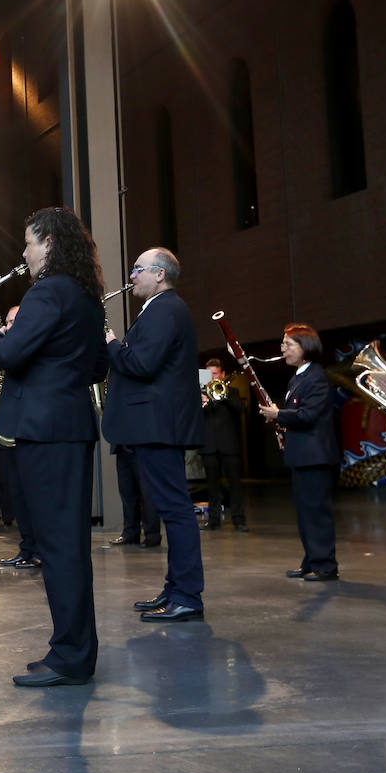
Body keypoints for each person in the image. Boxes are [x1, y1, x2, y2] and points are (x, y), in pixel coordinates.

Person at [0, 207, 108, 687]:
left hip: (45, 431)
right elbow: (97, 366)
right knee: (68, 546)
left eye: (29, 242)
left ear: (50, 244)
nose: (24, 251)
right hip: (70, 427)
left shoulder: (46, 291)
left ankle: (71, 658)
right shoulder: (85, 296)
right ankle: (71, 650)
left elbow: (12, 354)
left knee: (59, 548)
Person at [103, 247, 207, 624]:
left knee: (176, 512)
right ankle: (175, 589)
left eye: (137, 269)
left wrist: (112, 343)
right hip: (156, 425)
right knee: (171, 510)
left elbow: (142, 363)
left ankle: (187, 597)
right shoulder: (160, 309)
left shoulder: (166, 309)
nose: (131, 276)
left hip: (160, 426)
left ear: (159, 274)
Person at [259, 323, 339, 580]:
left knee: (317, 513)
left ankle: (325, 566)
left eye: (288, 345)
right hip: (304, 455)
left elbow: (310, 415)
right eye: (283, 344)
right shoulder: (299, 376)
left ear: (305, 347)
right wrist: (279, 415)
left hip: (315, 456)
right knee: (305, 513)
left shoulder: (316, 376)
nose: (283, 349)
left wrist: (279, 413)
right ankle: (311, 561)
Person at [200, 358, 247, 532]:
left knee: (235, 485)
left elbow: (241, 410)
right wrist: (203, 400)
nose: (212, 377)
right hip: (209, 446)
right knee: (212, 487)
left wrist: (224, 394)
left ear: (222, 375)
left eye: (215, 373)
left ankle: (239, 520)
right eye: (209, 374)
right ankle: (213, 521)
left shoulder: (232, 391)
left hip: (229, 445)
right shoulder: (201, 394)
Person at [109, 445, 161, 547]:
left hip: (142, 444)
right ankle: (130, 532)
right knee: (126, 491)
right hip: (121, 445)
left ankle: (152, 534)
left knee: (147, 493)